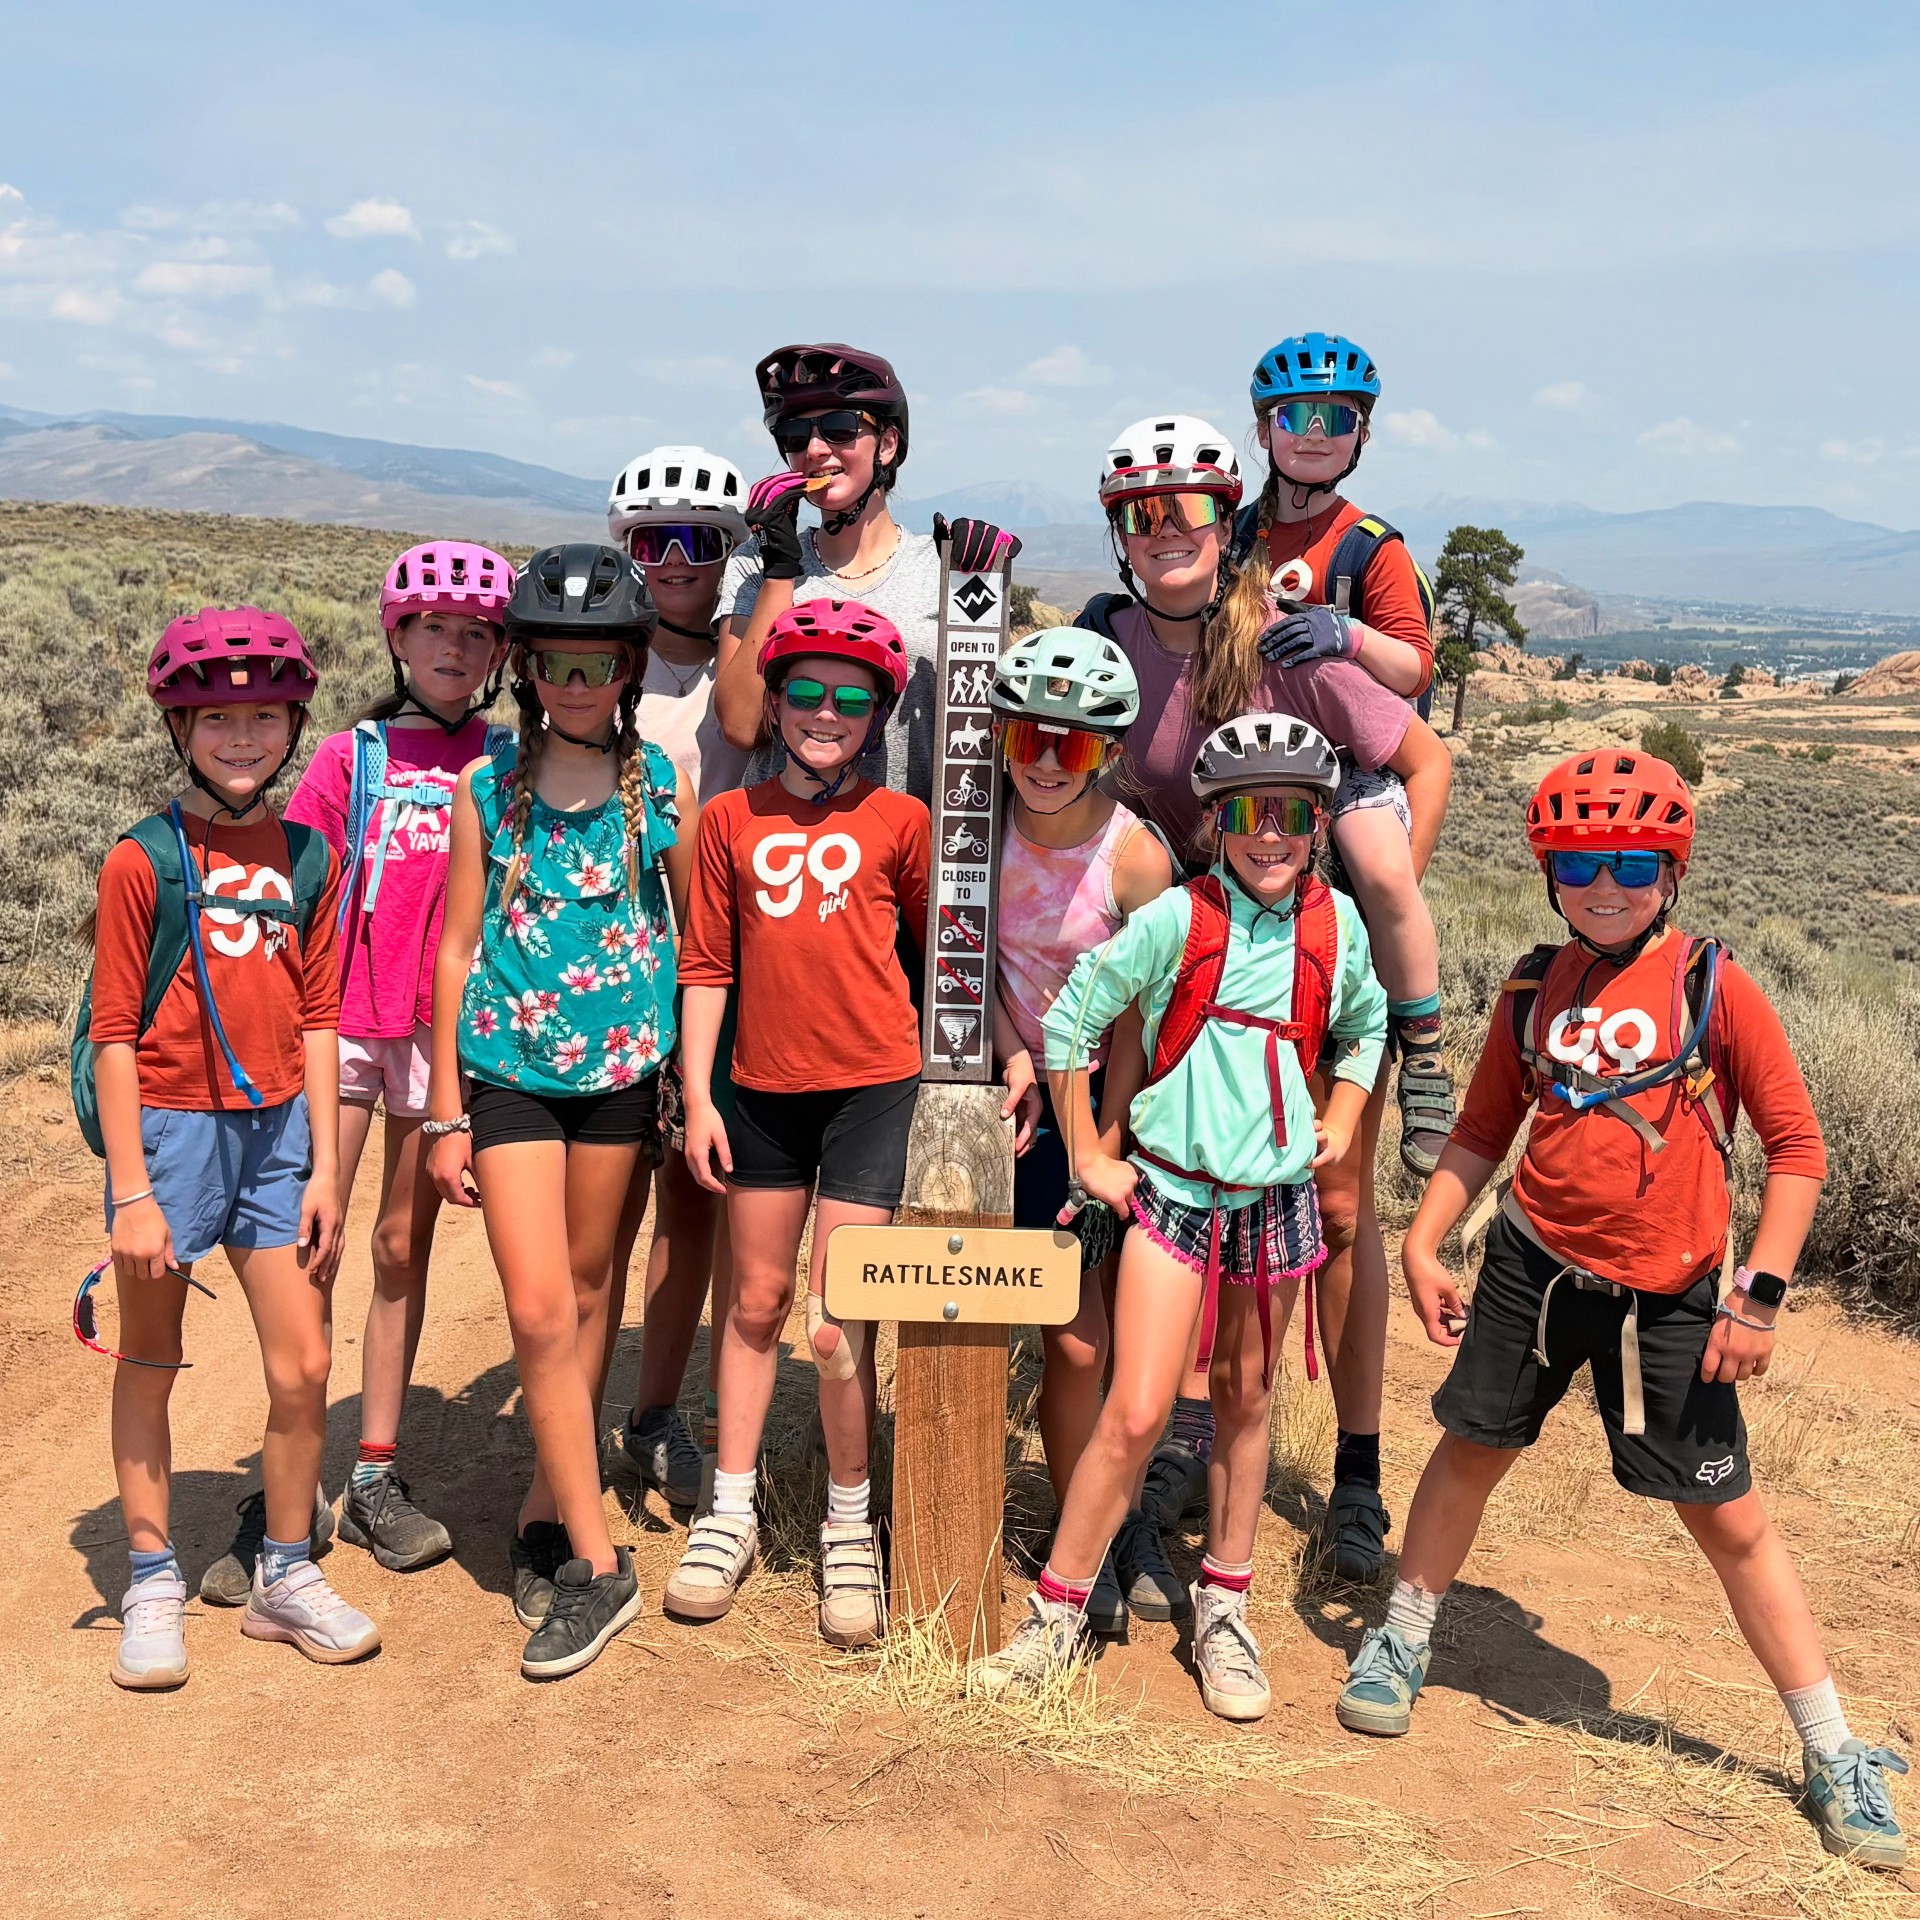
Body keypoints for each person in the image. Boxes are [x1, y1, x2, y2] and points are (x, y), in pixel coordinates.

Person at [1337, 751, 1907, 1872]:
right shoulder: (1529, 984)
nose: (1608, 885)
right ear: (1551, 872)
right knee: (1468, 1450)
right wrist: (1422, 1233)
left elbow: (1796, 1148)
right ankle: (1401, 1641)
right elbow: (1486, 1128)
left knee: (1731, 1519)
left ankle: (1829, 1746)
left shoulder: (1714, 983)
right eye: (1582, 863)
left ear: (1672, 871)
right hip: (1533, 1271)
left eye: (1635, 864)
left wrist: (1760, 1294)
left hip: (1673, 1300)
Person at [1078, 413, 1452, 1582]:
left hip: (1302, 973)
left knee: (1335, 1211)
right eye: (1139, 514)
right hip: (1181, 970)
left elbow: (1422, 760)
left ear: (1225, 514)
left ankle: (1354, 1477)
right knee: (1182, 1192)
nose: (1164, 531)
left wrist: (1357, 929)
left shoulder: (1282, 642)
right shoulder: (1105, 640)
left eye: (1186, 509)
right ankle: (1187, 1434)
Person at [972, 715, 1385, 1719]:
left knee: (1245, 1399)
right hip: (1171, 1190)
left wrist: (1342, 1112)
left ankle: (1226, 1607)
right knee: (1139, 1406)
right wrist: (1085, 1154)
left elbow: (1367, 1023)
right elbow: (1072, 1020)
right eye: (1249, 812)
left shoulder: (1335, 928)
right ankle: (1058, 1610)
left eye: (1293, 812)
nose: (1271, 834)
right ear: (1218, 820)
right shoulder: (1179, 920)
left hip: (1274, 1199)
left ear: (1319, 821)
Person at [89, 606, 377, 1688]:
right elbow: (114, 1033)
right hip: (167, 1135)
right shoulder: (143, 860)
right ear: (180, 727)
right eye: (218, 718)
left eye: (263, 715)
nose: (243, 737)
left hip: (276, 1136)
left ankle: (285, 1571)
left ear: (294, 723)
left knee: (304, 1361)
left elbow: (319, 1020)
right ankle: (154, 1575)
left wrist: (327, 1170)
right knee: (152, 1356)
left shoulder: (311, 856)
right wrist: (131, 1192)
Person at [425, 544, 695, 1681]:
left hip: (626, 1074)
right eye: (553, 664)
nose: (574, 685)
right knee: (538, 1310)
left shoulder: (656, 790)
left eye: (596, 665)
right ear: (525, 668)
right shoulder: (486, 788)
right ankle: (598, 1562)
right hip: (511, 1072)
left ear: (629, 669)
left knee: (590, 1296)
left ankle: (549, 1496)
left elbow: (684, 937)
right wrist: (444, 1107)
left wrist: (688, 1073)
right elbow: (456, 945)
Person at [667, 600, 929, 1649]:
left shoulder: (901, 824)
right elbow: (706, 966)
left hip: (872, 1088)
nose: (826, 715)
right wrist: (696, 1097)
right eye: (807, 695)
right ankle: (732, 1507)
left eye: (851, 701)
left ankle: (850, 1521)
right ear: (772, 704)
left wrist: (1009, 1051)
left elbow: (941, 953)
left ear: (877, 717)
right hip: (759, 1091)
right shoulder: (731, 820)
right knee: (756, 1300)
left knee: (835, 1319)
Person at [279, 542, 513, 1578]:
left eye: (473, 632)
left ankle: (372, 1472)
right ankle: (287, 1472)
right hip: (340, 1020)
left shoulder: (501, 761)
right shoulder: (351, 757)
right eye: (433, 629)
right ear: (397, 637)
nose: (453, 647)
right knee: (309, 1238)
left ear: (499, 650)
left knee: (397, 1245)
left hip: (434, 1031)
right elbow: (294, 887)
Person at [987, 625, 1178, 1635]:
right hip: (1023, 1104)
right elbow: (967, 957)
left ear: (1105, 748)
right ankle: (1086, 1528)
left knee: (1115, 1342)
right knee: (1072, 1340)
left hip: (1116, 1111)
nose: (1047, 764)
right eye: (1028, 739)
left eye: (1072, 744)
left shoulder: (1136, 859)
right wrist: (1016, 1055)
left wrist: (1107, 1137)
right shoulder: (979, 831)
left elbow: (1145, 1015)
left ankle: (1117, 1525)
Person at [1240, 333, 1454, 1178]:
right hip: (1253, 754)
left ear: (1362, 433)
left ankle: (1425, 1054)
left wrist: (1349, 631)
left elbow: (1415, 666)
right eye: (1297, 414)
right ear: (1265, 430)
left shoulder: (1371, 546)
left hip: (1353, 761)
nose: (1316, 430)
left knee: (1385, 871)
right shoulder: (1237, 528)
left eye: (1339, 416)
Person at [600, 447, 752, 1512]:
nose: (677, 560)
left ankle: (655, 1415)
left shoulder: (747, 659)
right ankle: (573, 1407)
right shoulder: (598, 657)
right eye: (654, 538)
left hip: (721, 963)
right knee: (602, 1213)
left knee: (693, 1202)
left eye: (701, 539)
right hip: (610, 968)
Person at [711, 342, 1015, 804]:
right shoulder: (757, 562)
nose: (815, 449)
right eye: (795, 436)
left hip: (909, 854)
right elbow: (740, 726)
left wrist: (982, 586)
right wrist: (780, 572)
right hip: (786, 853)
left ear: (888, 445)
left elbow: (991, 721)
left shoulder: (942, 569)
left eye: (838, 429)